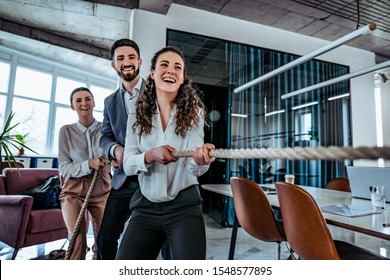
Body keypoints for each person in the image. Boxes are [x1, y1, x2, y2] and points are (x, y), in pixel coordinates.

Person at [116, 46, 216, 260]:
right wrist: (149, 156)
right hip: (145, 206)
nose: (171, 70)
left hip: (184, 205)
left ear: (182, 78)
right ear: (152, 74)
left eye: (177, 67)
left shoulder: (194, 113)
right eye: (164, 65)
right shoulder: (136, 113)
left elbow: (194, 167)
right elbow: (128, 164)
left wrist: (200, 160)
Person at [97, 38, 173, 260]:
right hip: (125, 178)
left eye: (131, 57)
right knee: (104, 238)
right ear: (114, 65)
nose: (126, 62)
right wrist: (115, 150)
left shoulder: (159, 89)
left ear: (139, 61)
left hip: (156, 174)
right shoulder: (110, 102)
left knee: (167, 243)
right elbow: (105, 137)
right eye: (120, 58)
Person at [58, 87, 111, 260]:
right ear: (72, 106)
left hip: (102, 191)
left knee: (105, 239)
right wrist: (88, 164)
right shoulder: (66, 131)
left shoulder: (106, 129)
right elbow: (64, 168)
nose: (84, 103)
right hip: (73, 193)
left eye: (88, 99)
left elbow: (115, 159)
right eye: (78, 100)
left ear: (94, 103)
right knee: (77, 239)